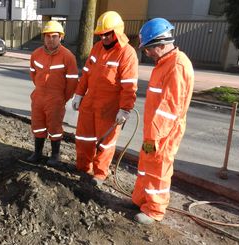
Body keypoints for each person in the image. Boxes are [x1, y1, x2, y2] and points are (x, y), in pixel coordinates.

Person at [131, 18, 194, 225]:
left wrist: (154, 136)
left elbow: (169, 109)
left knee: (158, 168)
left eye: (149, 49)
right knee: (145, 165)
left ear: (161, 43)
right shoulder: (164, 63)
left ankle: (154, 209)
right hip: (154, 129)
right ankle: (141, 200)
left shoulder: (176, 66)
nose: (146, 53)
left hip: (164, 132)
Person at [71, 11, 138, 186]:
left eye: (107, 34)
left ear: (117, 32)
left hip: (109, 108)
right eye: (101, 34)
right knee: (83, 138)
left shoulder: (127, 54)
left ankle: (100, 173)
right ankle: (83, 167)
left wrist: (125, 108)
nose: (104, 38)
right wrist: (79, 93)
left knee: (105, 143)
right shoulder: (97, 48)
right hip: (90, 102)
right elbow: (86, 73)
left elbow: (129, 85)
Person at [27, 20, 79, 165]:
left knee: (55, 127)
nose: (50, 39)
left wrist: (63, 98)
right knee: (37, 125)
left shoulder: (67, 56)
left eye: (54, 36)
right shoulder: (36, 54)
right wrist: (40, 89)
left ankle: (55, 155)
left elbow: (72, 82)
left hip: (56, 98)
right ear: (43, 37)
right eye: (48, 36)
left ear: (61, 37)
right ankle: (37, 153)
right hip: (38, 97)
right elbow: (33, 74)